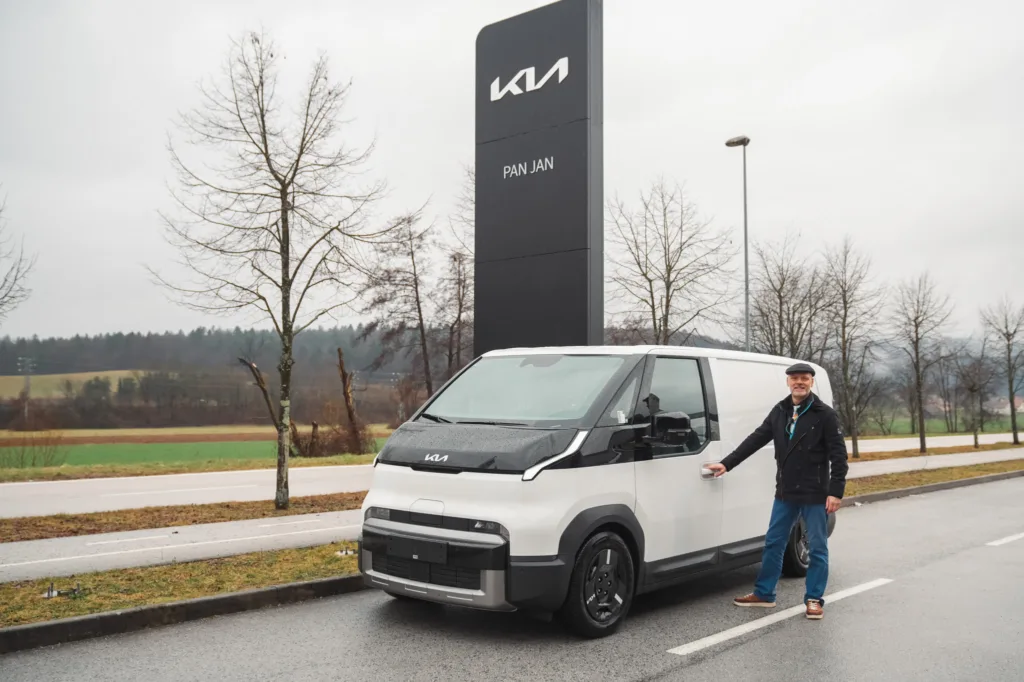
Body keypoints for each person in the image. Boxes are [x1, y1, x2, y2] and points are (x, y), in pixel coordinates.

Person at [705, 362, 848, 620]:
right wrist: (727, 463)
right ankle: (764, 594)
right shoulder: (780, 410)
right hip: (785, 492)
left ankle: (814, 599)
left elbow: (839, 456)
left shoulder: (825, 414)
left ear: (811, 382)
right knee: (773, 543)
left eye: (804, 378)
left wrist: (835, 492)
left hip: (815, 493)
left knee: (817, 548)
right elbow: (756, 439)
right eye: (795, 378)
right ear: (788, 382)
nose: (799, 382)